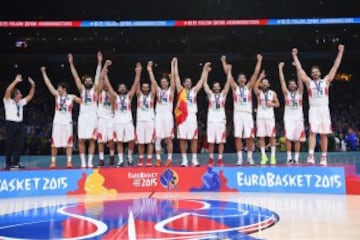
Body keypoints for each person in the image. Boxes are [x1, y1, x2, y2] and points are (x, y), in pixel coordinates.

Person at [292, 45, 345, 165]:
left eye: (316, 72)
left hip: (324, 109)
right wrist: (295, 56)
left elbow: (335, 66)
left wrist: (340, 52)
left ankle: (323, 157)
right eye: (313, 72)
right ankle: (310, 156)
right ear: (311, 74)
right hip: (314, 109)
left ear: (320, 73)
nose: (315, 73)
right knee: (312, 132)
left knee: (324, 134)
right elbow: (300, 70)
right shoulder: (309, 83)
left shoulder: (326, 81)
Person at [221, 54, 263, 165]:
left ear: (245, 79)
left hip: (248, 114)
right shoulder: (234, 88)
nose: (241, 79)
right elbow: (228, 74)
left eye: (243, 78)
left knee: (249, 136)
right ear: (238, 80)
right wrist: (224, 62)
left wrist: (259, 60)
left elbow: (255, 73)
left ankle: (249, 157)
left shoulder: (249, 87)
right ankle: (239, 158)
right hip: (238, 114)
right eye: (240, 78)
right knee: (238, 136)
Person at [40, 66, 81, 169]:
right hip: (57, 122)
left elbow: (83, 101)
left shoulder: (72, 97)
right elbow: (48, 85)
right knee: (54, 143)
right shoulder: (57, 96)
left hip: (67, 123)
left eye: (59, 88)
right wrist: (44, 73)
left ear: (64, 89)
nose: (57, 89)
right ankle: (53, 162)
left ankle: (69, 162)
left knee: (69, 143)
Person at [102, 61, 140, 167]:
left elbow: (135, 84)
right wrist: (105, 75)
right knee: (119, 141)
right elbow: (108, 86)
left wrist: (138, 72)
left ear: (126, 89)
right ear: (118, 89)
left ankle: (130, 157)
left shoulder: (129, 96)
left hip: (128, 121)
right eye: (120, 87)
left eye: (124, 87)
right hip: (118, 121)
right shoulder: (114, 97)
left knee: (131, 140)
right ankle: (120, 160)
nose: (122, 88)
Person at [68, 51, 102, 168]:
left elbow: (98, 77)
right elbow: (75, 77)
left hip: (93, 116)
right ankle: (83, 162)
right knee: (81, 140)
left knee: (92, 140)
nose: (88, 81)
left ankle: (90, 161)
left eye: (90, 81)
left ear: (92, 83)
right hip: (83, 116)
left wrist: (99, 63)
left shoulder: (95, 90)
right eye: (86, 80)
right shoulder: (82, 90)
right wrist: (71, 63)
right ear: (84, 82)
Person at [174, 59, 207, 167]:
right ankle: (184, 160)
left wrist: (205, 69)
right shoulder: (180, 90)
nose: (188, 83)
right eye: (186, 82)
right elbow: (176, 77)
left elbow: (201, 81)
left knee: (193, 139)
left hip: (192, 116)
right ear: (183, 84)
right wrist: (175, 65)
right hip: (182, 117)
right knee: (182, 139)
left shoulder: (194, 91)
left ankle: (194, 159)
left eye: (190, 81)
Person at [147, 59, 175, 167]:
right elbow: (153, 81)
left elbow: (173, 81)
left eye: (165, 82)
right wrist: (150, 70)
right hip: (158, 115)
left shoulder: (171, 91)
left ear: (168, 83)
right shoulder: (158, 90)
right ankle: (158, 159)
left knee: (168, 138)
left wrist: (172, 65)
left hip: (168, 115)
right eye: (162, 82)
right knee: (157, 138)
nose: (163, 83)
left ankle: (169, 159)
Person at [3, 74, 35, 169]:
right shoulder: (7, 101)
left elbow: (30, 95)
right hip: (10, 124)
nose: (21, 95)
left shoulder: (20, 103)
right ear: (15, 95)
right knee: (9, 144)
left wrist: (33, 85)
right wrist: (16, 80)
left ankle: (16, 163)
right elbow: (8, 90)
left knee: (19, 144)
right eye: (19, 93)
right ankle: (8, 163)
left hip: (20, 124)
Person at [203, 62, 231, 166]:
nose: (216, 88)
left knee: (221, 141)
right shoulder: (210, 95)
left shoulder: (223, 94)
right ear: (213, 88)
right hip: (211, 120)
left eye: (218, 86)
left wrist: (229, 72)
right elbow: (204, 84)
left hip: (221, 120)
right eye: (214, 86)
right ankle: (211, 159)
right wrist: (206, 72)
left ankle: (219, 159)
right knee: (211, 141)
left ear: (219, 87)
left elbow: (228, 83)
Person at [278, 61, 305, 164]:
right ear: (289, 86)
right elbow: (282, 81)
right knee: (288, 138)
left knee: (297, 139)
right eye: (291, 84)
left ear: (296, 86)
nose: (292, 85)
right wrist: (280, 69)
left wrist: (298, 68)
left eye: (294, 84)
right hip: (288, 118)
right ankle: (289, 158)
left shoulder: (300, 93)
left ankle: (296, 158)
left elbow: (300, 80)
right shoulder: (286, 94)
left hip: (298, 118)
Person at [254, 70, 280, 165]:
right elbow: (254, 87)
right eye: (263, 83)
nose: (265, 84)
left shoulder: (273, 93)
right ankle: (263, 156)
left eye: (266, 83)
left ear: (269, 84)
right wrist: (260, 77)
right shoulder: (259, 92)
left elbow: (278, 104)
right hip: (260, 116)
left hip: (270, 117)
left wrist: (272, 104)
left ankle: (273, 156)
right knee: (261, 136)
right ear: (261, 85)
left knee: (272, 136)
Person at [136, 62, 156, 167]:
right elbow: (136, 85)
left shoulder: (151, 96)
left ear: (148, 88)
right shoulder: (139, 95)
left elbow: (154, 84)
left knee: (149, 142)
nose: (145, 88)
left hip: (150, 121)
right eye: (143, 87)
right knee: (140, 142)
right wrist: (138, 72)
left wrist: (149, 70)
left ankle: (148, 159)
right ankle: (140, 159)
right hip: (140, 121)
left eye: (146, 87)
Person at [96, 60, 116, 167]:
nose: (103, 83)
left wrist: (106, 78)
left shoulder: (112, 93)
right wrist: (105, 66)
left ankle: (112, 157)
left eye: (105, 82)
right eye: (103, 83)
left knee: (111, 139)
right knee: (100, 140)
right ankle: (101, 159)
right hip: (101, 118)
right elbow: (100, 78)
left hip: (110, 118)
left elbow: (113, 97)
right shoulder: (99, 92)